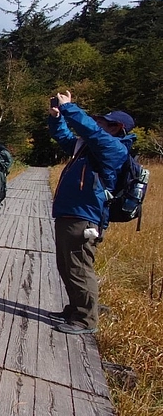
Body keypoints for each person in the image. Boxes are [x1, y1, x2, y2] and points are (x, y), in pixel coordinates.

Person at [48, 91, 133, 334]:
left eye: (102, 122)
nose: (96, 124)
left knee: (79, 266)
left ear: (116, 128)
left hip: (85, 216)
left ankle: (86, 320)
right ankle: (76, 309)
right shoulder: (88, 148)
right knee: (66, 265)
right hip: (70, 212)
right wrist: (56, 117)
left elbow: (92, 132)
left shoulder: (114, 148)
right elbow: (64, 137)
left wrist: (69, 108)